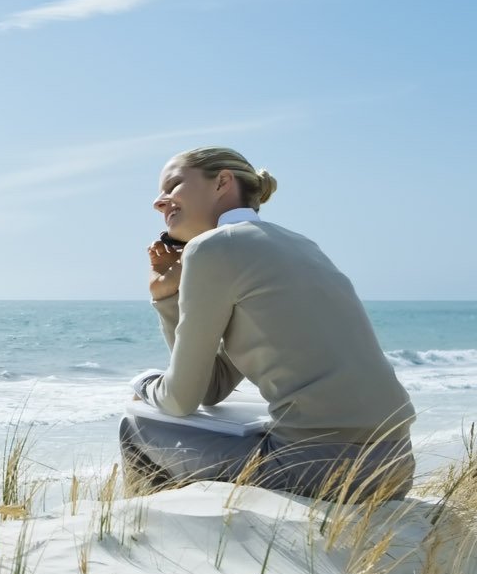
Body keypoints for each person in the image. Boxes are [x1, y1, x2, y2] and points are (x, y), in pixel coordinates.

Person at [120, 146, 416, 501]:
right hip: (395, 464)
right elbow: (212, 389)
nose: (159, 201)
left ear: (222, 182)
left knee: (135, 425)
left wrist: (143, 382)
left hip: (318, 469)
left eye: (173, 185)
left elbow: (180, 400)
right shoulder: (300, 244)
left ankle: (156, 544)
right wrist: (166, 294)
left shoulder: (211, 248)